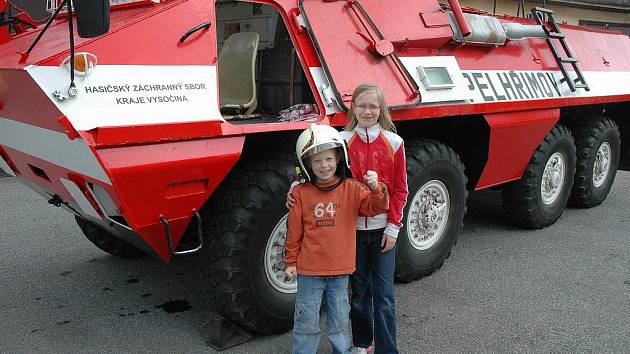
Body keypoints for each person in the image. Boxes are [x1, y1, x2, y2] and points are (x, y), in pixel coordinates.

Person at [287, 83, 408, 354]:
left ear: (381, 109)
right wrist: (294, 186)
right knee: (359, 294)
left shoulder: (395, 142)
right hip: (350, 232)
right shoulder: (341, 139)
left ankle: (388, 349)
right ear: (353, 108)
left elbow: (401, 189)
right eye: (361, 105)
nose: (367, 111)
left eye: (373, 106)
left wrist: (393, 227)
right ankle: (362, 345)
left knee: (385, 296)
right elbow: (317, 166)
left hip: (383, 232)